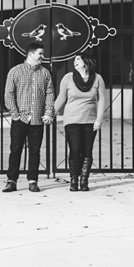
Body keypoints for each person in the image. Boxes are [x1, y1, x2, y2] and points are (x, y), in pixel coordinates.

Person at [3, 42, 55, 193]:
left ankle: (33, 180)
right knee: (15, 149)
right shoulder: (15, 71)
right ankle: (11, 181)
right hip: (20, 118)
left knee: (35, 151)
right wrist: (15, 114)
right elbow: (9, 93)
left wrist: (48, 112)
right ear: (30, 54)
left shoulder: (45, 73)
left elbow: (50, 94)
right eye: (40, 53)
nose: (42, 57)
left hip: (37, 118)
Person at [54, 53, 106, 191]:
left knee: (87, 150)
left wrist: (99, 119)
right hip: (72, 119)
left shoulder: (98, 79)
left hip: (90, 120)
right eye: (74, 60)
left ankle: (84, 181)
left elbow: (101, 100)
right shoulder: (68, 78)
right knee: (75, 149)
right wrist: (50, 113)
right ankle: (73, 180)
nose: (75, 61)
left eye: (78, 59)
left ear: (86, 62)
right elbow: (61, 98)